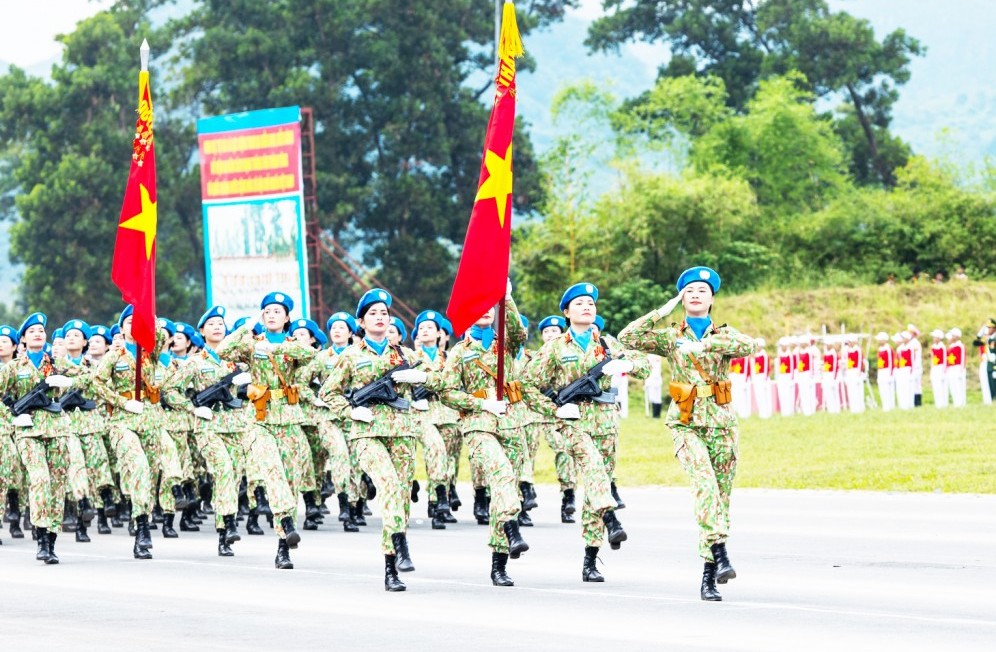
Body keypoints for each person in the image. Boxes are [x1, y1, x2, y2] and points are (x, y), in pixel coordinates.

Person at [619, 267, 756, 601]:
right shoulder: (670, 336)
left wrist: (706, 345)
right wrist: (661, 311)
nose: (695, 294)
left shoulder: (725, 336)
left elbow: (749, 345)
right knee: (706, 487)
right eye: (689, 291)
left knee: (720, 500)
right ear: (682, 298)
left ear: (712, 299)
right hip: (686, 422)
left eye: (702, 290)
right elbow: (627, 338)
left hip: (722, 425)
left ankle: (709, 574)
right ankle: (721, 552)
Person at [522, 283, 631, 583]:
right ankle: (611, 517)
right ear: (567, 312)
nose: (587, 307)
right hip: (574, 421)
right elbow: (526, 385)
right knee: (594, 470)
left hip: (607, 421)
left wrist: (627, 365)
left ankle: (590, 560)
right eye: (579, 303)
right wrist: (554, 410)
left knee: (597, 483)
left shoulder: (607, 345)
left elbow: (643, 366)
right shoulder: (555, 348)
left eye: (591, 303)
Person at [319, 289, 424, 591]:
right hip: (367, 433)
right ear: (361, 323)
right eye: (373, 314)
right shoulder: (350, 356)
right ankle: (399, 548)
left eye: (384, 313)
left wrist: (421, 381)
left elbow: (438, 380)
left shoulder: (406, 356)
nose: (380, 317)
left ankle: (392, 566)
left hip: (402, 432)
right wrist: (352, 412)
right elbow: (328, 393)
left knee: (400, 496)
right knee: (389, 485)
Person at [219, 292, 313, 569]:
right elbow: (223, 350)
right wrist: (247, 326)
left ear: (286, 318)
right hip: (260, 417)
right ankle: (284, 521)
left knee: (291, 480)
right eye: (267, 311)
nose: (271, 314)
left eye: (277, 311)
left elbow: (312, 356)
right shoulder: (252, 343)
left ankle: (283, 546)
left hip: (289, 419)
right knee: (271, 470)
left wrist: (279, 348)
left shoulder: (295, 345)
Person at [0, 313, 77, 563]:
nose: (38, 333)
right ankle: (41, 537)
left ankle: (51, 540)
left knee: (56, 484)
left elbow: (90, 378)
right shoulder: (13, 367)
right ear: (22, 339)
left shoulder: (57, 362)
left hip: (57, 428)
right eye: (31, 330)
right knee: (40, 479)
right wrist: (11, 416)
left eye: (41, 330)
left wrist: (67, 379)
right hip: (28, 430)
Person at [841, 335, 865, 414]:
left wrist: (860, 373)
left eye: (850, 342)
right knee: (851, 390)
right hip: (849, 371)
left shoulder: (858, 350)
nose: (849, 344)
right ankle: (853, 408)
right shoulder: (847, 350)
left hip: (856, 372)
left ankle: (860, 408)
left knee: (858, 391)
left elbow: (860, 362)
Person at [749, 339, 771, 419]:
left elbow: (766, 367)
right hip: (756, 377)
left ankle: (766, 413)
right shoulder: (755, 355)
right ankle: (762, 413)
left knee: (764, 395)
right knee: (758, 395)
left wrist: (765, 378)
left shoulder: (764, 355)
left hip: (762, 377)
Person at [875, 332, 896, 412]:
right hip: (881, 370)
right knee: (882, 388)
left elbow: (891, 362)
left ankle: (890, 406)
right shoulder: (880, 349)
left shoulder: (888, 349)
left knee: (888, 389)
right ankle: (885, 405)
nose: (879, 342)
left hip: (887, 370)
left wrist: (891, 373)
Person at [945, 329, 966, 407]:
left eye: (953, 335)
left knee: (959, 386)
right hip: (951, 368)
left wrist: (961, 370)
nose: (951, 337)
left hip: (958, 368)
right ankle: (956, 402)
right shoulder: (951, 346)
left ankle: (961, 403)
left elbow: (963, 358)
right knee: (952, 385)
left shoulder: (960, 346)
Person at [775, 338, 795, 416]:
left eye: (784, 346)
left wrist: (791, 378)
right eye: (781, 346)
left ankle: (790, 411)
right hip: (781, 377)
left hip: (788, 376)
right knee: (782, 394)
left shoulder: (789, 355)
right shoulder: (779, 355)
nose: (782, 347)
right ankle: (784, 412)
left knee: (788, 395)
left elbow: (792, 367)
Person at [894, 332, 914, 410]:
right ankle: (902, 405)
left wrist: (912, 371)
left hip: (907, 368)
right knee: (901, 387)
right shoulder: (899, 348)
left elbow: (912, 360)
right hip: (900, 369)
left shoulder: (910, 347)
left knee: (907, 387)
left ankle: (909, 405)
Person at [928, 330, 948, 409]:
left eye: (934, 337)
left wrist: (944, 371)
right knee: (935, 385)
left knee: (940, 386)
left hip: (940, 367)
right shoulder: (933, 347)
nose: (933, 338)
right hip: (935, 367)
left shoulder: (942, 347)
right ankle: (937, 403)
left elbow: (944, 359)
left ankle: (942, 404)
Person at [907, 324, 924, 407]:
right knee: (913, 385)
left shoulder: (915, 343)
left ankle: (917, 402)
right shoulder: (910, 343)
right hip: (912, 367)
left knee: (917, 385)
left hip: (916, 367)